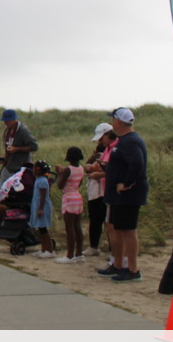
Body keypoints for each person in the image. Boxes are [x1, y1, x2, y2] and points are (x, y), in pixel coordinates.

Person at [98, 108, 148, 283]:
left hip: (128, 195)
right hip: (117, 195)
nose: (112, 123)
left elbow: (137, 163)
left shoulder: (130, 141)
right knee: (117, 228)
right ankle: (118, 264)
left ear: (118, 121)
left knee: (128, 230)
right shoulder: (123, 140)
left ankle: (133, 269)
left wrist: (127, 183)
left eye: (113, 119)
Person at [84, 123, 117, 258]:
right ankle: (95, 246)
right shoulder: (106, 150)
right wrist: (92, 166)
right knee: (96, 219)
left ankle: (114, 252)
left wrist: (99, 173)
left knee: (110, 223)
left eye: (101, 138)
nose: (100, 142)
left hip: (108, 191)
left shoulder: (115, 149)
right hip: (98, 191)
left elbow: (113, 170)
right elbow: (94, 166)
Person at [0, 109, 38, 191]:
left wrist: (17, 149)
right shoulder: (7, 131)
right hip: (8, 167)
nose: (5, 123)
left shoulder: (23, 131)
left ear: (14, 119)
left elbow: (34, 146)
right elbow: (8, 148)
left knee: (15, 193)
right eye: (4, 121)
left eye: (7, 121)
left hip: (20, 169)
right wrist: (4, 159)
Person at [54, 147, 85, 263]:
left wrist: (59, 174)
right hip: (77, 196)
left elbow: (60, 185)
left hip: (69, 198)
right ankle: (79, 253)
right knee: (77, 226)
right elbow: (79, 183)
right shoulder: (81, 168)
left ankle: (70, 255)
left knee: (69, 228)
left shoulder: (68, 170)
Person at [29, 160, 55, 258]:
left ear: (38, 170)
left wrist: (40, 209)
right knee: (40, 229)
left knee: (44, 229)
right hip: (38, 205)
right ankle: (43, 249)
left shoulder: (42, 181)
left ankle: (49, 250)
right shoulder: (38, 179)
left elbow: (43, 196)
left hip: (42, 207)